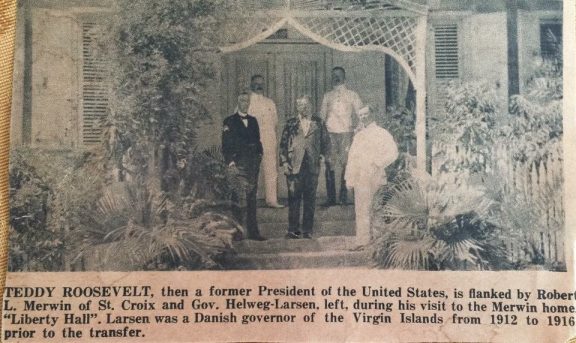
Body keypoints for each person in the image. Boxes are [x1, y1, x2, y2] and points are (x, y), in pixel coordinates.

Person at [345, 106, 398, 247]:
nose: (363, 117)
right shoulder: (359, 136)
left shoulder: (382, 133)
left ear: (372, 115)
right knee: (361, 209)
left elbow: (393, 152)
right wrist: (349, 178)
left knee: (376, 208)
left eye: (366, 114)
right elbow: (352, 159)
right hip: (360, 177)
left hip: (375, 175)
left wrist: (378, 163)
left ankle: (378, 242)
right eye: (360, 115)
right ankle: (362, 241)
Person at [279, 96, 330, 239]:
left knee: (310, 199)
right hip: (294, 166)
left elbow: (325, 142)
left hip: (312, 166)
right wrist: (284, 162)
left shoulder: (318, 123)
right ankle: (292, 230)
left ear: (311, 106)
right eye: (300, 105)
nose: (304, 108)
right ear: (297, 107)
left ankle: (307, 230)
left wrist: (324, 157)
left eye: (306, 105)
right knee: (293, 198)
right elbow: (283, 145)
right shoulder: (291, 123)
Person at [222, 91, 266, 241]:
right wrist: (231, 162)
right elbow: (226, 144)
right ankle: (237, 233)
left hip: (252, 164)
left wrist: (260, 154)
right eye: (242, 101)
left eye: (247, 101)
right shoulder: (229, 121)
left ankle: (254, 233)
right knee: (237, 198)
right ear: (238, 103)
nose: (245, 104)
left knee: (252, 198)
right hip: (238, 164)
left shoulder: (253, 120)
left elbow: (258, 140)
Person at [320, 66, 363, 206]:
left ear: (344, 77)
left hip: (346, 133)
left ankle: (344, 198)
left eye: (338, 75)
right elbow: (322, 116)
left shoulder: (352, 95)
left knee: (346, 165)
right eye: (334, 75)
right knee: (329, 164)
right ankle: (331, 198)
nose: (336, 78)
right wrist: (323, 133)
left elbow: (361, 114)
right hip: (330, 133)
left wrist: (356, 129)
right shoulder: (328, 95)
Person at [248, 75, 284, 208]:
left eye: (261, 84)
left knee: (271, 170)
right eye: (256, 83)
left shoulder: (270, 103)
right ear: (251, 85)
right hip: (252, 141)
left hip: (268, 140)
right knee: (251, 171)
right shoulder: (246, 102)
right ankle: (251, 201)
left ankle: (272, 200)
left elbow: (275, 122)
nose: (259, 86)